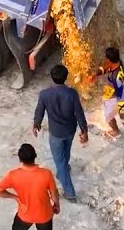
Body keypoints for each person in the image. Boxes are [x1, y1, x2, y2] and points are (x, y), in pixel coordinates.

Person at [32, 64, 88, 202]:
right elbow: (79, 113)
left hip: (56, 132)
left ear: (52, 78)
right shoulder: (72, 93)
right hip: (70, 130)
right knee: (66, 152)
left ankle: (69, 192)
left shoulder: (44, 94)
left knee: (59, 160)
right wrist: (84, 130)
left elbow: (39, 110)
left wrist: (36, 123)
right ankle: (63, 170)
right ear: (66, 77)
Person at [0, 144, 59, 230]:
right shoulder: (47, 174)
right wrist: (56, 205)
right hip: (44, 214)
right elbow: (54, 194)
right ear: (35, 156)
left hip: (25, 215)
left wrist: (15, 197)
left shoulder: (13, 175)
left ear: (20, 159)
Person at [90, 47, 124, 160]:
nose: (105, 61)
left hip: (116, 99)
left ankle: (116, 131)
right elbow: (105, 67)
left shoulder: (116, 78)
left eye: (106, 59)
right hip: (123, 94)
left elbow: (120, 94)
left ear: (109, 59)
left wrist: (122, 110)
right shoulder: (119, 63)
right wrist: (95, 74)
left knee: (112, 117)